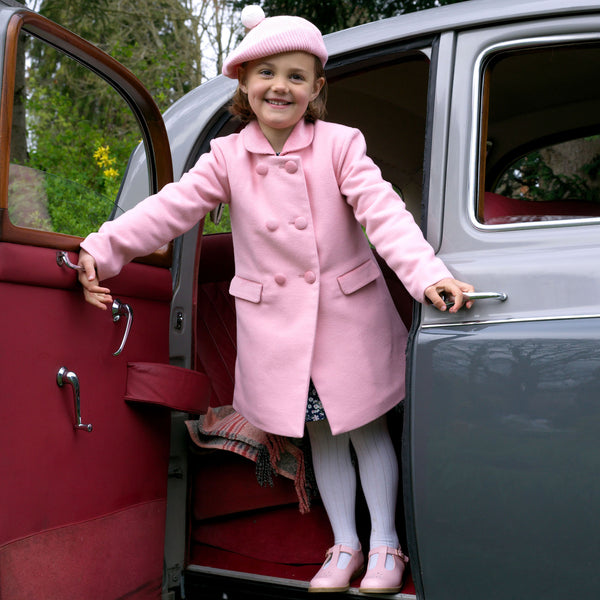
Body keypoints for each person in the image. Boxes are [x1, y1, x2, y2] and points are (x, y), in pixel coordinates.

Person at [78, 5, 474, 594]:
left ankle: (387, 546)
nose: (279, 87)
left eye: (295, 75)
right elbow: (170, 208)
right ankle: (344, 545)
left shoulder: (341, 145)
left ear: (316, 88)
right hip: (279, 330)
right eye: (266, 74)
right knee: (320, 437)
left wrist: (426, 275)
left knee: (365, 431)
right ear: (243, 83)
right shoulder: (227, 156)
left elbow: (383, 212)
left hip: (347, 320)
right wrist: (102, 248)